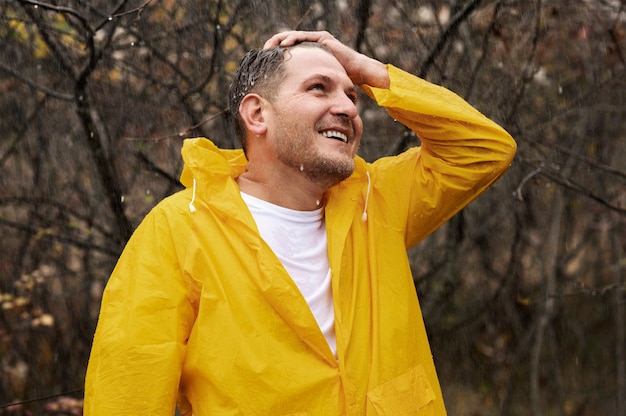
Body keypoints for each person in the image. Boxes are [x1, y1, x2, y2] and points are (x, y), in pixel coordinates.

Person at [84, 31, 516, 415]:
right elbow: (127, 393)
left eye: (352, 95)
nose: (347, 107)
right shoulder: (179, 230)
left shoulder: (376, 203)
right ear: (257, 116)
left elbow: (484, 151)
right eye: (318, 89)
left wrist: (369, 70)